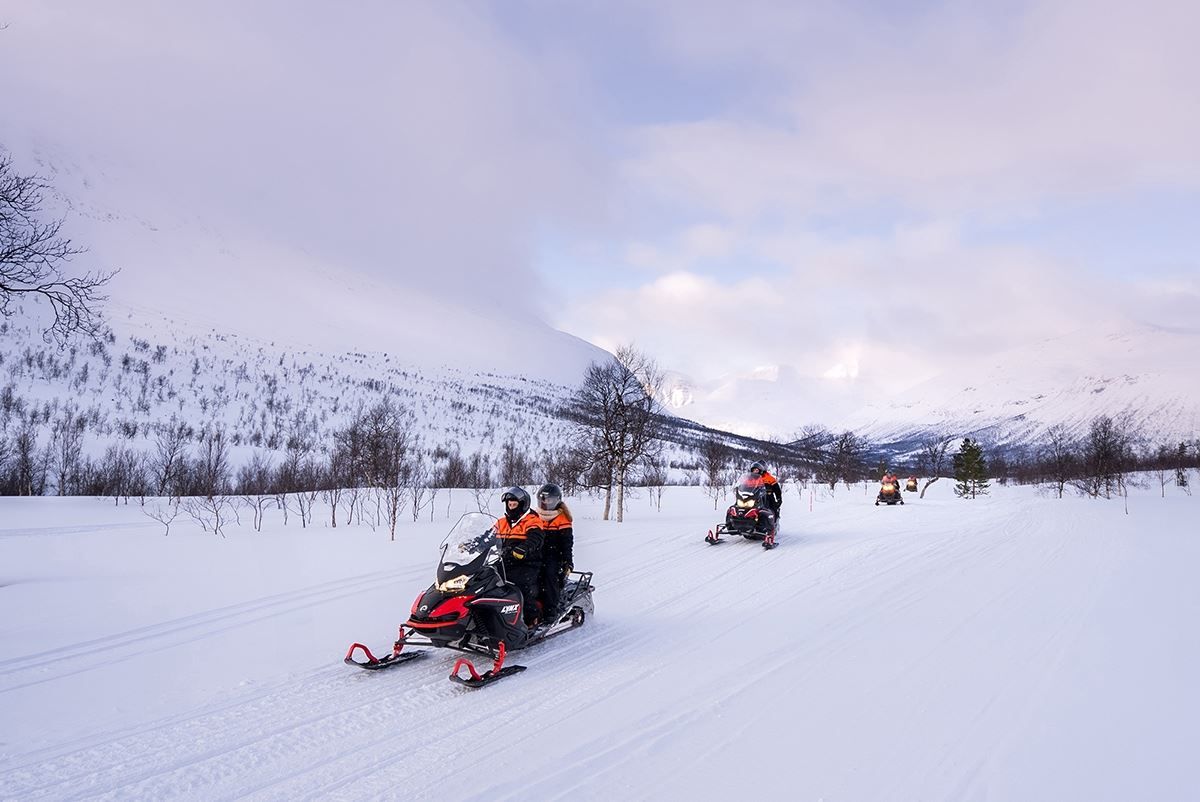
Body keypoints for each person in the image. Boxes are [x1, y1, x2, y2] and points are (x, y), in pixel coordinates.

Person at [494, 486, 544, 626]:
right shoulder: (501, 522)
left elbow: (536, 538)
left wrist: (524, 548)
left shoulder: (532, 520)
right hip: (505, 561)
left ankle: (531, 618)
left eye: (514, 504)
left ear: (522, 505)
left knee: (519, 585)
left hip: (527, 562)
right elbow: (486, 537)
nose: (511, 507)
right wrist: (471, 544)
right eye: (509, 504)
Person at [533, 482, 574, 623]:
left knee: (550, 576)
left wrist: (568, 561)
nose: (545, 502)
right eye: (543, 499)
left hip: (554, 555)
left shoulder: (562, 518)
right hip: (536, 554)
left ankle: (551, 610)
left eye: (549, 499)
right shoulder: (535, 516)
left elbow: (567, 542)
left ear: (557, 500)